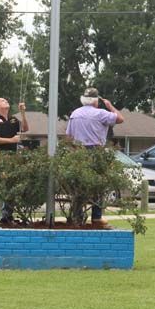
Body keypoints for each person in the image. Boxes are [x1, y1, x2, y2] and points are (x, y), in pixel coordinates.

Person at [66, 87, 124, 227]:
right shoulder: (101, 113)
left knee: (79, 185)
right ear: (96, 100)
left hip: (78, 152)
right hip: (96, 151)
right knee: (98, 185)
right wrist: (110, 106)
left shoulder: (75, 113)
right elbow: (120, 119)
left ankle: (77, 216)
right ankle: (96, 217)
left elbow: (68, 136)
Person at [0, 98, 29, 225]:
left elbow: (25, 129)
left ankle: (7, 216)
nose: (5, 101)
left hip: (11, 158)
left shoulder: (13, 119)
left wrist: (23, 113)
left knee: (10, 186)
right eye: (2, 101)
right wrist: (12, 140)